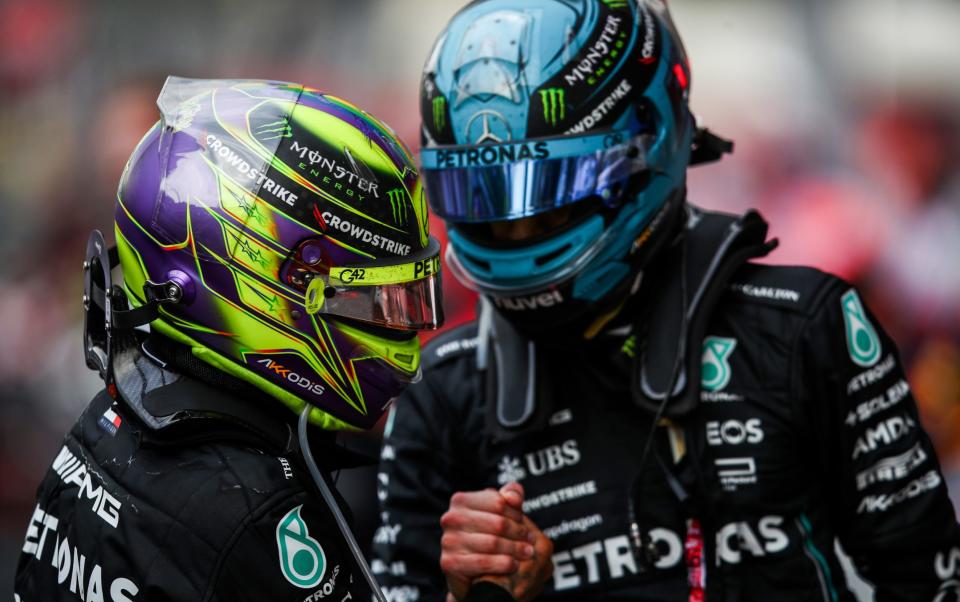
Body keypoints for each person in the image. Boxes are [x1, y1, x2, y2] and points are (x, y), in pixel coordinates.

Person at [371, 1, 960, 600]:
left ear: (647, 148)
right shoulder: (440, 389)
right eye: (486, 199)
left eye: (547, 195)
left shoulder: (803, 328)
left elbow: (931, 581)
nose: (517, 232)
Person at [12, 76, 455, 602]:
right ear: (254, 281)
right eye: (370, 300)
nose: (401, 327)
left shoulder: (111, 419)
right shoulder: (256, 517)